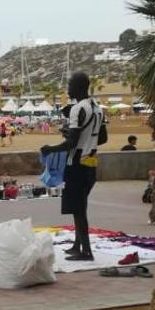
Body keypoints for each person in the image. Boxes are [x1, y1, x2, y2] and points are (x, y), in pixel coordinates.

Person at [41, 71, 105, 261]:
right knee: (81, 204)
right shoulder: (97, 108)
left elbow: (71, 143)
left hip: (77, 161)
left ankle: (85, 251)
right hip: (91, 161)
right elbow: (103, 137)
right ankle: (78, 244)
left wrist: (50, 149)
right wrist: (87, 142)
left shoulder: (78, 108)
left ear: (78, 87)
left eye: (70, 85)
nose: (68, 89)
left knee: (78, 208)